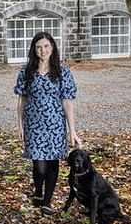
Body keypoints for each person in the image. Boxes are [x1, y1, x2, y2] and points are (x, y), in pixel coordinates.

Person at [13, 31, 82, 214]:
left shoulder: (62, 72)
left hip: (55, 125)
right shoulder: (26, 70)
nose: (42, 50)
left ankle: (46, 201)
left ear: (52, 48)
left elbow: (67, 102)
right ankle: (38, 190)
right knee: (39, 165)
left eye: (46, 46)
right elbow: (22, 100)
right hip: (33, 125)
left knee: (52, 162)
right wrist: (19, 125)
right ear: (34, 50)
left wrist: (72, 131)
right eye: (38, 47)